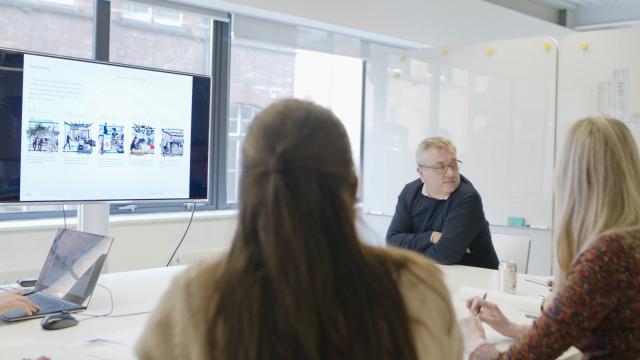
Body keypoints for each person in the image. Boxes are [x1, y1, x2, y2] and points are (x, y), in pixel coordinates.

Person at [136, 99, 463, 359]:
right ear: (353, 187)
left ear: (247, 189)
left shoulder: (196, 298)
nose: (449, 172)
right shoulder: (417, 287)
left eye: (451, 165)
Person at [460, 117, 640, 359]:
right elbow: (567, 331)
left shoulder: (607, 255)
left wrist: (474, 344)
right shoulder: (628, 242)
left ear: (574, 177)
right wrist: (512, 328)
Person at [387, 137, 499, 269]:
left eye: (453, 164)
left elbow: (445, 256)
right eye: (440, 167)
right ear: (421, 172)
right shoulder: (410, 192)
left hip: (475, 279)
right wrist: (431, 237)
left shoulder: (467, 198)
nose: (451, 173)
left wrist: (408, 252)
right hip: (432, 274)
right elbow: (392, 241)